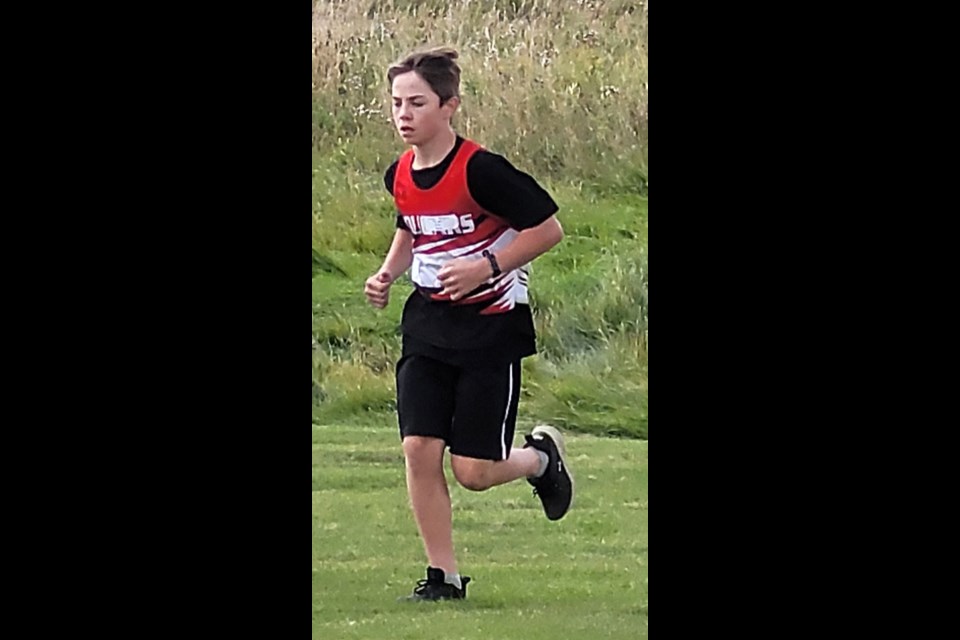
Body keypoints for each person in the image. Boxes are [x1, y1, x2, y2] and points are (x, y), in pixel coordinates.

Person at [364, 46, 574, 602]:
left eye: (416, 102)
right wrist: (387, 273)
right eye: (395, 103)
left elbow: (547, 230)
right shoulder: (401, 173)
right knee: (418, 448)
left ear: (449, 106)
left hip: (490, 328)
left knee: (475, 471)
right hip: (429, 324)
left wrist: (486, 266)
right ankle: (443, 578)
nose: (403, 114)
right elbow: (411, 228)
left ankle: (539, 459)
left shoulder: (482, 170)